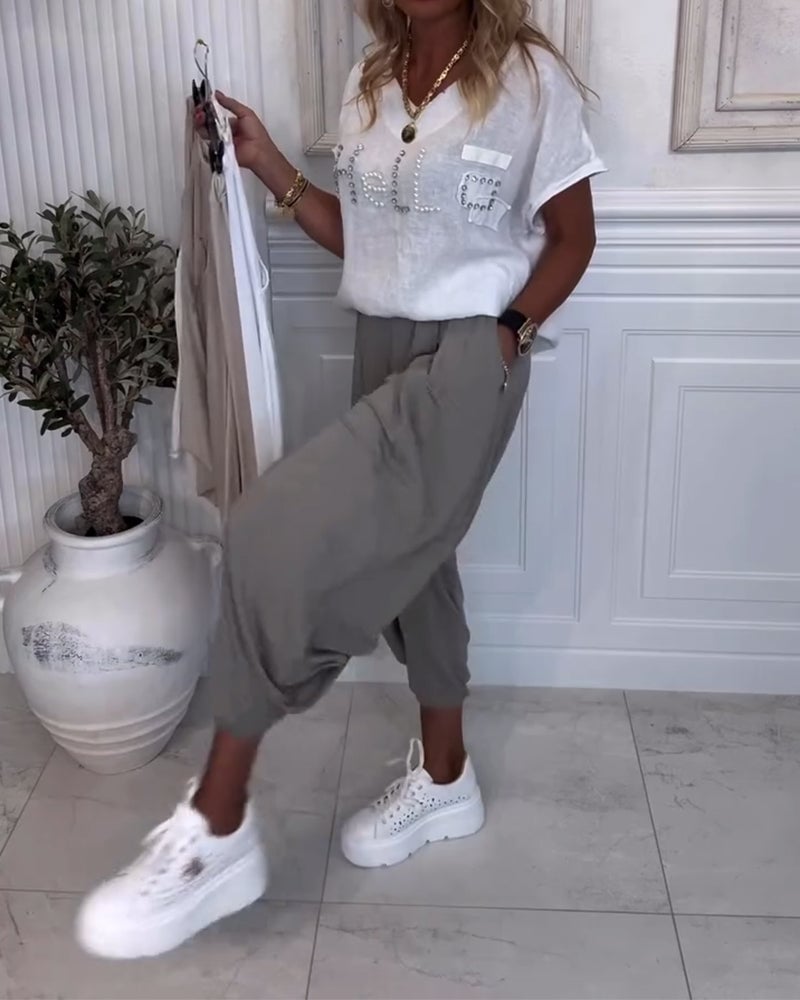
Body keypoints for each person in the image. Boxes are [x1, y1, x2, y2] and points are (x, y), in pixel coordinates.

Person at [76, 0, 605, 959]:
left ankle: (218, 823)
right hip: (381, 340)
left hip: (465, 360)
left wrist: (503, 337)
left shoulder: (529, 77)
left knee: (269, 530)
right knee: (420, 567)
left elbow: (574, 236)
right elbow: (368, 240)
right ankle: (447, 777)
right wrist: (268, 163)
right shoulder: (372, 79)